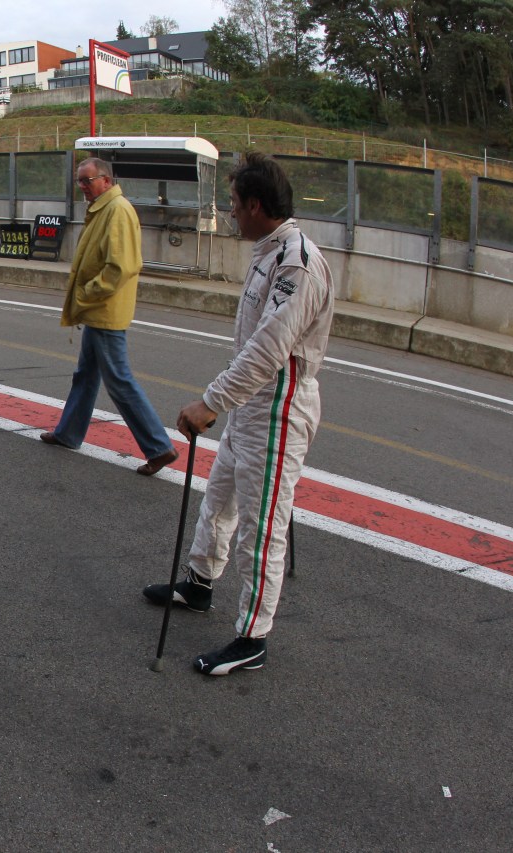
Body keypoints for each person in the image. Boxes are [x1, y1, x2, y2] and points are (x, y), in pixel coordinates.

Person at [143, 152, 335, 676]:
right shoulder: (267, 251)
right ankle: (200, 583)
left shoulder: (295, 262)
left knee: (262, 529)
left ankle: (252, 636)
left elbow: (270, 347)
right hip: (251, 407)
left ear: (255, 205)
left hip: (278, 409)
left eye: (233, 205)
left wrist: (210, 402)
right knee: (219, 498)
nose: (230, 215)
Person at [40, 156, 177, 476]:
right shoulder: (105, 208)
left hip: (105, 310)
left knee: (118, 379)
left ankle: (159, 446)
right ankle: (69, 432)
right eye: (79, 181)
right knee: (87, 375)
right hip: (99, 310)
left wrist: (86, 293)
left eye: (86, 181)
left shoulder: (117, 211)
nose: (82, 187)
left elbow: (122, 267)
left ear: (105, 180)